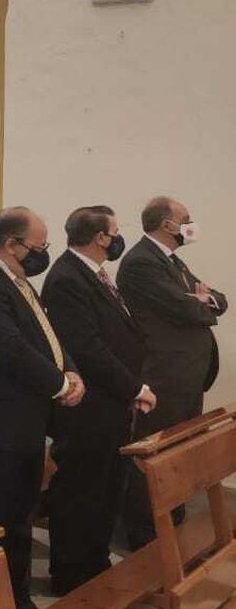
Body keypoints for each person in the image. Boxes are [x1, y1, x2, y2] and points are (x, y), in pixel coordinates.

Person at [0, 207, 83, 609]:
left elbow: (46, 334)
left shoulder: (15, 279)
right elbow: (8, 348)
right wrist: (59, 385)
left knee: (19, 518)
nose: (43, 253)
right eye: (39, 246)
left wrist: (71, 371)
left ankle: (15, 595)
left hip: (21, 417)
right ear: (12, 244)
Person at [43, 205, 151, 595]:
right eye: (114, 232)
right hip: (88, 406)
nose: (118, 238)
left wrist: (130, 387)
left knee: (107, 488)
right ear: (100, 237)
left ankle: (95, 562)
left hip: (111, 404)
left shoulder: (95, 274)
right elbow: (87, 348)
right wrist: (134, 388)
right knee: (80, 491)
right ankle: (71, 575)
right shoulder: (68, 278)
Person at [118, 195, 226, 549]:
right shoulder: (140, 262)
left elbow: (219, 299)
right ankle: (147, 536)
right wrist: (196, 301)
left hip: (187, 374)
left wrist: (203, 299)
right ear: (168, 224)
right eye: (187, 218)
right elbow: (184, 309)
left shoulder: (172, 261)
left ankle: (173, 520)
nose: (191, 223)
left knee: (179, 453)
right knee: (155, 455)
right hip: (164, 373)